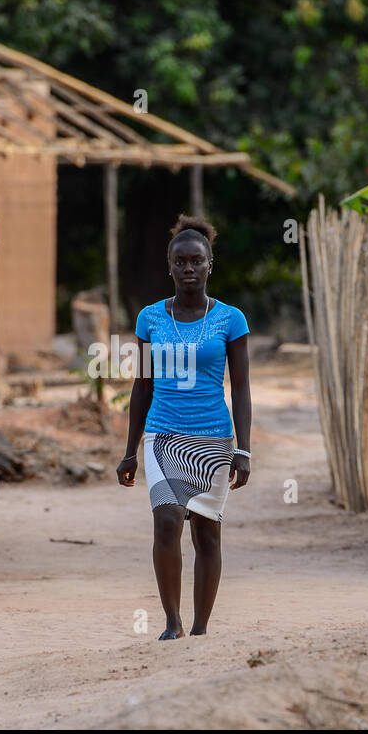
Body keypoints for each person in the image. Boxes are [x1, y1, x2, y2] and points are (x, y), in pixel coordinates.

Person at [117, 214, 252, 640]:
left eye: (197, 261)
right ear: (169, 266)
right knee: (168, 520)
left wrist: (243, 449)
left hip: (213, 436)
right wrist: (129, 449)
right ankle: (172, 623)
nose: (189, 268)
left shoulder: (231, 319)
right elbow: (142, 386)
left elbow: (243, 388)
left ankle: (200, 629)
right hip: (163, 435)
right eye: (181, 262)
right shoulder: (150, 319)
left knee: (207, 534)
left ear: (211, 265)